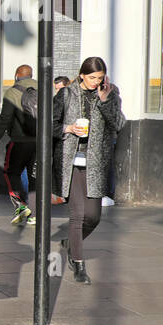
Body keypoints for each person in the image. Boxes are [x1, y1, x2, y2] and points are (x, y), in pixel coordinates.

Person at [55, 56, 125, 285]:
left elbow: (119, 124)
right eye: (92, 77)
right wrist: (68, 128)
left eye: (100, 77)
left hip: (95, 162)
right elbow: (49, 124)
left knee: (93, 217)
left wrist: (105, 101)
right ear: (82, 75)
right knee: (77, 216)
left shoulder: (109, 94)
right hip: (71, 161)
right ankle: (79, 265)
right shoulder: (66, 94)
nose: (96, 82)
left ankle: (70, 243)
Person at [0, 64, 39, 226]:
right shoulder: (44, 90)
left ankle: (20, 206)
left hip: (19, 142)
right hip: (40, 143)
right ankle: (34, 215)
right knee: (34, 177)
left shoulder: (12, 92)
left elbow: (4, 120)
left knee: (10, 172)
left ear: (16, 75)